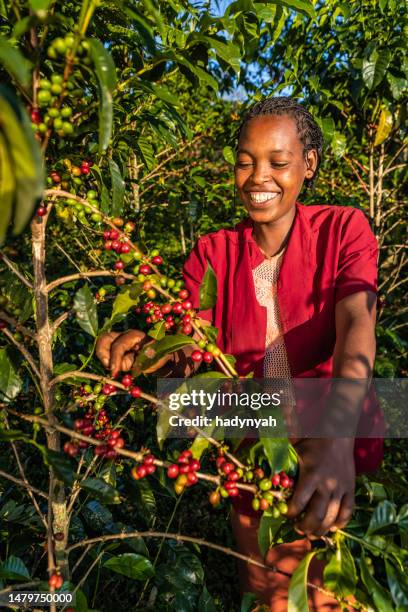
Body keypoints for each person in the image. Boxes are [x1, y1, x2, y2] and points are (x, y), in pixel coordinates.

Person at [96, 97, 383, 610]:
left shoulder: (344, 228)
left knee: (332, 588)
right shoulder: (212, 253)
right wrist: (149, 350)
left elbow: (357, 322)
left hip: (331, 436)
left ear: (308, 164)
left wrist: (337, 435)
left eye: (278, 161)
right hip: (250, 445)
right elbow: (191, 347)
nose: (258, 177)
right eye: (246, 161)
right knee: (273, 591)